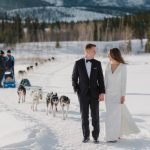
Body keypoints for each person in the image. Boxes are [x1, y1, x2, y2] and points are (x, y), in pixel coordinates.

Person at [105, 48, 140, 143]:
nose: (108, 55)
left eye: (109, 54)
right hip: (108, 95)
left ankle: (113, 137)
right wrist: (103, 93)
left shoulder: (122, 67)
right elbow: (105, 81)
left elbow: (123, 82)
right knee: (109, 116)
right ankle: (113, 134)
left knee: (116, 117)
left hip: (117, 95)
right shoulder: (108, 65)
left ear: (114, 55)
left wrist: (123, 95)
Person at [72, 43, 105, 143]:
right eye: (93, 50)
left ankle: (95, 136)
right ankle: (86, 136)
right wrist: (77, 90)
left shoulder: (97, 63)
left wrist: (102, 92)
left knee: (95, 116)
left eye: (95, 50)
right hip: (83, 95)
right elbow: (74, 79)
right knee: (84, 116)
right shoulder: (78, 63)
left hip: (95, 94)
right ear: (87, 51)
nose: (95, 52)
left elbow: (101, 79)